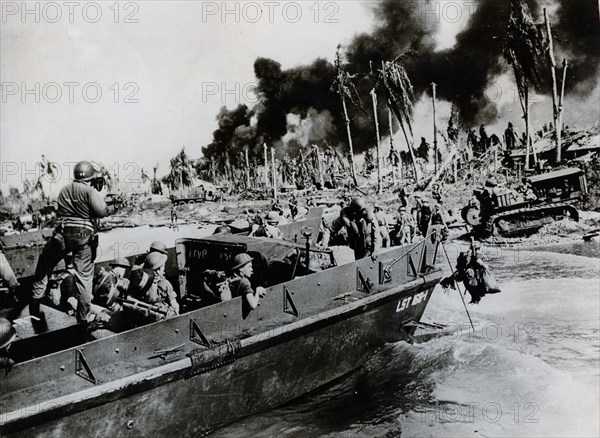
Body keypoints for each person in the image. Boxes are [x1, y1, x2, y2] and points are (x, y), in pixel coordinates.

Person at [30, 161, 113, 327]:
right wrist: (108, 204)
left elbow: (60, 210)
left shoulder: (64, 189)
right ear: (90, 178)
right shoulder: (90, 191)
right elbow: (101, 211)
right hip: (83, 238)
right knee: (84, 278)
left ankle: (35, 305)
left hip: (62, 235)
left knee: (44, 267)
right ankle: (84, 317)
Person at [141, 252, 179, 316]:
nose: (164, 268)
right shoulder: (165, 283)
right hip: (164, 317)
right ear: (159, 269)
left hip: (148, 315)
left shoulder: (143, 283)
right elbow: (175, 305)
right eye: (163, 266)